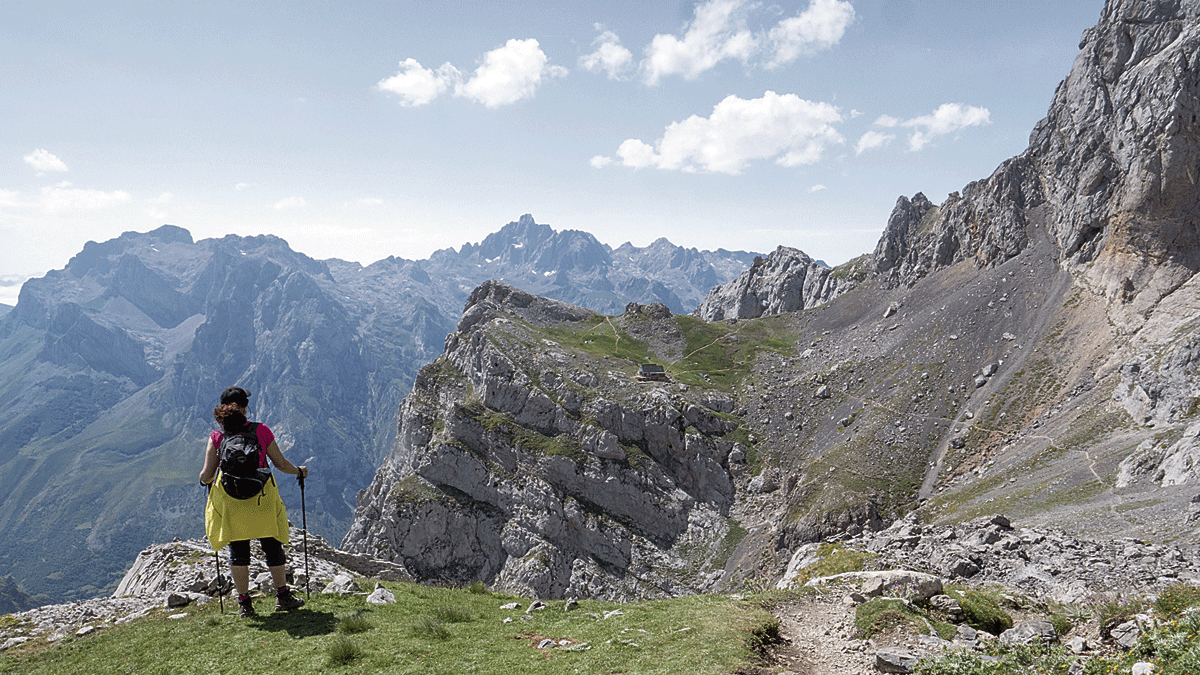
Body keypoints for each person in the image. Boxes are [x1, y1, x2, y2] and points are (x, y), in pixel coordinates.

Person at [199, 386, 309, 617]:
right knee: (272, 546)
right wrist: (298, 471)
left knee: (239, 553)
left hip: (232, 502)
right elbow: (280, 463)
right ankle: (282, 597)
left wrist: (202, 479)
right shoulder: (261, 430)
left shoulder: (217, 437)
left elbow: (207, 475)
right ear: (245, 408)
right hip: (262, 499)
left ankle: (245, 604)